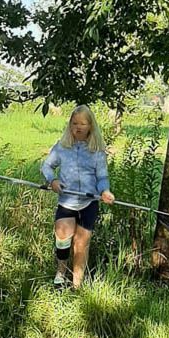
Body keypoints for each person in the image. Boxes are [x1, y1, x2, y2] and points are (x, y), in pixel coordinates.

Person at [41, 104, 115, 289]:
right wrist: (52, 180)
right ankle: (60, 274)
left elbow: (102, 177)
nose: (78, 127)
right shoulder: (62, 147)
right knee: (62, 237)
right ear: (70, 125)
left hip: (89, 203)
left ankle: (77, 285)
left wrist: (105, 191)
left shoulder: (97, 151)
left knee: (81, 244)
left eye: (82, 124)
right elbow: (46, 166)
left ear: (90, 126)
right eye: (74, 123)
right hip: (67, 201)